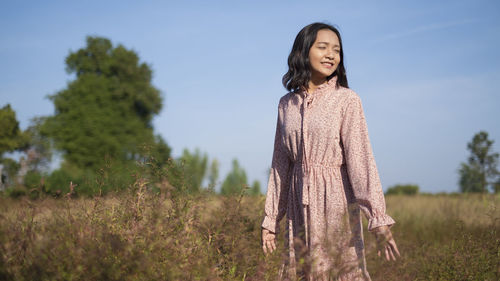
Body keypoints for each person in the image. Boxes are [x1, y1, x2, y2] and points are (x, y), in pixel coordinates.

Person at [261, 22, 400, 281]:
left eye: (336, 50)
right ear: (303, 52)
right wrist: (271, 220)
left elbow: (361, 161)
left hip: (336, 202)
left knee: (338, 271)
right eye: (322, 47)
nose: (331, 55)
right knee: (300, 271)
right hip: (296, 203)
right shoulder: (286, 105)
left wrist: (378, 219)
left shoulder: (346, 100)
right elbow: (280, 164)